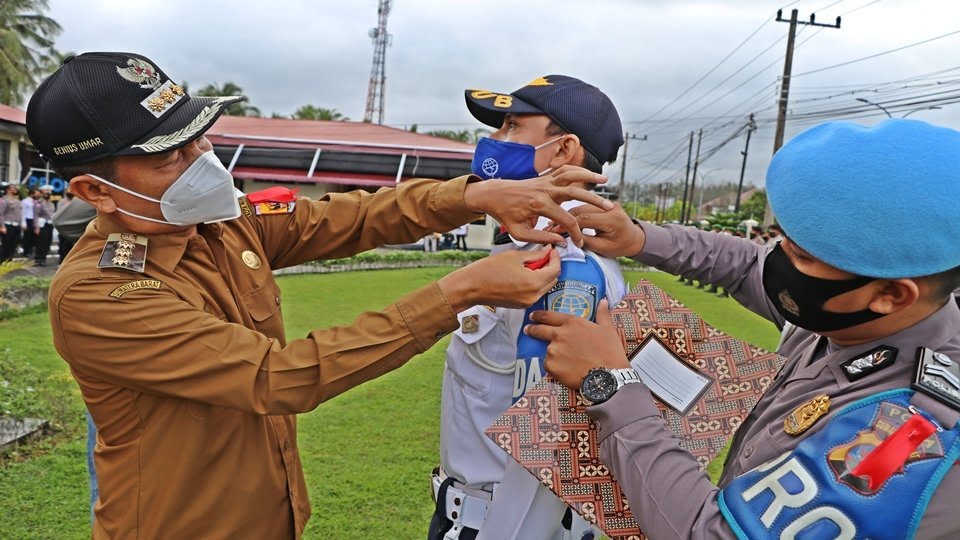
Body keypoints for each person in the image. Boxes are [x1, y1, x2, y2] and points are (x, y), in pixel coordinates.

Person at [28, 52, 612, 539]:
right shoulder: (100, 293)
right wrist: (457, 292)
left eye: (199, 139)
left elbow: (351, 218)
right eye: (170, 155)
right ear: (91, 190)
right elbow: (276, 376)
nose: (203, 162)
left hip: (270, 516)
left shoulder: (220, 224)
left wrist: (474, 197)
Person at [525, 119, 960, 539]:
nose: (777, 258)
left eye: (802, 255)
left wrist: (610, 384)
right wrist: (639, 239)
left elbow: (713, 534)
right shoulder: (849, 311)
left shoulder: (914, 432)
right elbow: (743, 264)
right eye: (784, 239)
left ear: (891, 294)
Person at [431, 75, 626, 540]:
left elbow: (552, 438)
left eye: (513, 126)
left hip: (502, 524)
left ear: (562, 151)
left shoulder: (563, 266)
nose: (493, 140)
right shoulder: (526, 245)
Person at [0, 182, 23, 262]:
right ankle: (2, 262)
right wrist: (2, 226)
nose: (16, 189)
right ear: (8, 190)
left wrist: (21, 224)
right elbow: (1, 214)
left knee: (13, 245)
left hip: (17, 226)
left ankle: (9, 261)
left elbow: (19, 214)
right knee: (6, 245)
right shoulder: (3, 200)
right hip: (7, 225)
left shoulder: (17, 200)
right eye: (13, 188)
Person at [32, 184, 55, 266]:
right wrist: (36, 227)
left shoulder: (51, 203)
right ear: (42, 193)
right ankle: (38, 259)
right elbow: (35, 215)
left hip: (49, 225)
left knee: (47, 242)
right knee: (40, 243)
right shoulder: (39, 202)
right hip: (42, 225)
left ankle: (43, 258)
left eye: (49, 192)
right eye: (46, 192)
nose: (48, 193)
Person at [20, 188, 37, 258]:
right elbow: (23, 212)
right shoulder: (25, 201)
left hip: (34, 220)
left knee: (33, 237)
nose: (37, 195)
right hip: (28, 220)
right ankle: (26, 252)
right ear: (31, 194)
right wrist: (23, 222)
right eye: (36, 193)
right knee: (27, 237)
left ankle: (30, 251)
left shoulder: (36, 201)